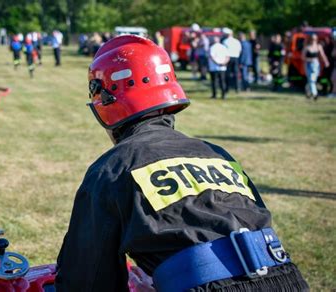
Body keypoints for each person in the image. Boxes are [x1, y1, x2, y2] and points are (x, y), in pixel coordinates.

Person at [55, 35, 309, 292]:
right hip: (288, 279)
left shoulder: (112, 169)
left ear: (106, 101)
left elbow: (86, 280)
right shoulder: (218, 154)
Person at [301, 33, 329, 99]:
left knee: (312, 80)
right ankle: (315, 93)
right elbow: (302, 57)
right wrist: (310, 59)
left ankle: (308, 92)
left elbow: (323, 55)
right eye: (312, 39)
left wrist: (326, 61)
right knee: (311, 79)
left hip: (316, 65)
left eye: (315, 39)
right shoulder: (307, 47)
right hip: (308, 64)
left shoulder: (319, 46)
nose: (313, 40)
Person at [222, 28, 242, 93]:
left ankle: (227, 88)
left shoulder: (225, 41)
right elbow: (240, 50)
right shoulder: (237, 41)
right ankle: (237, 88)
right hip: (236, 58)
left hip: (228, 58)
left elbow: (223, 51)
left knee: (227, 73)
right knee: (236, 73)